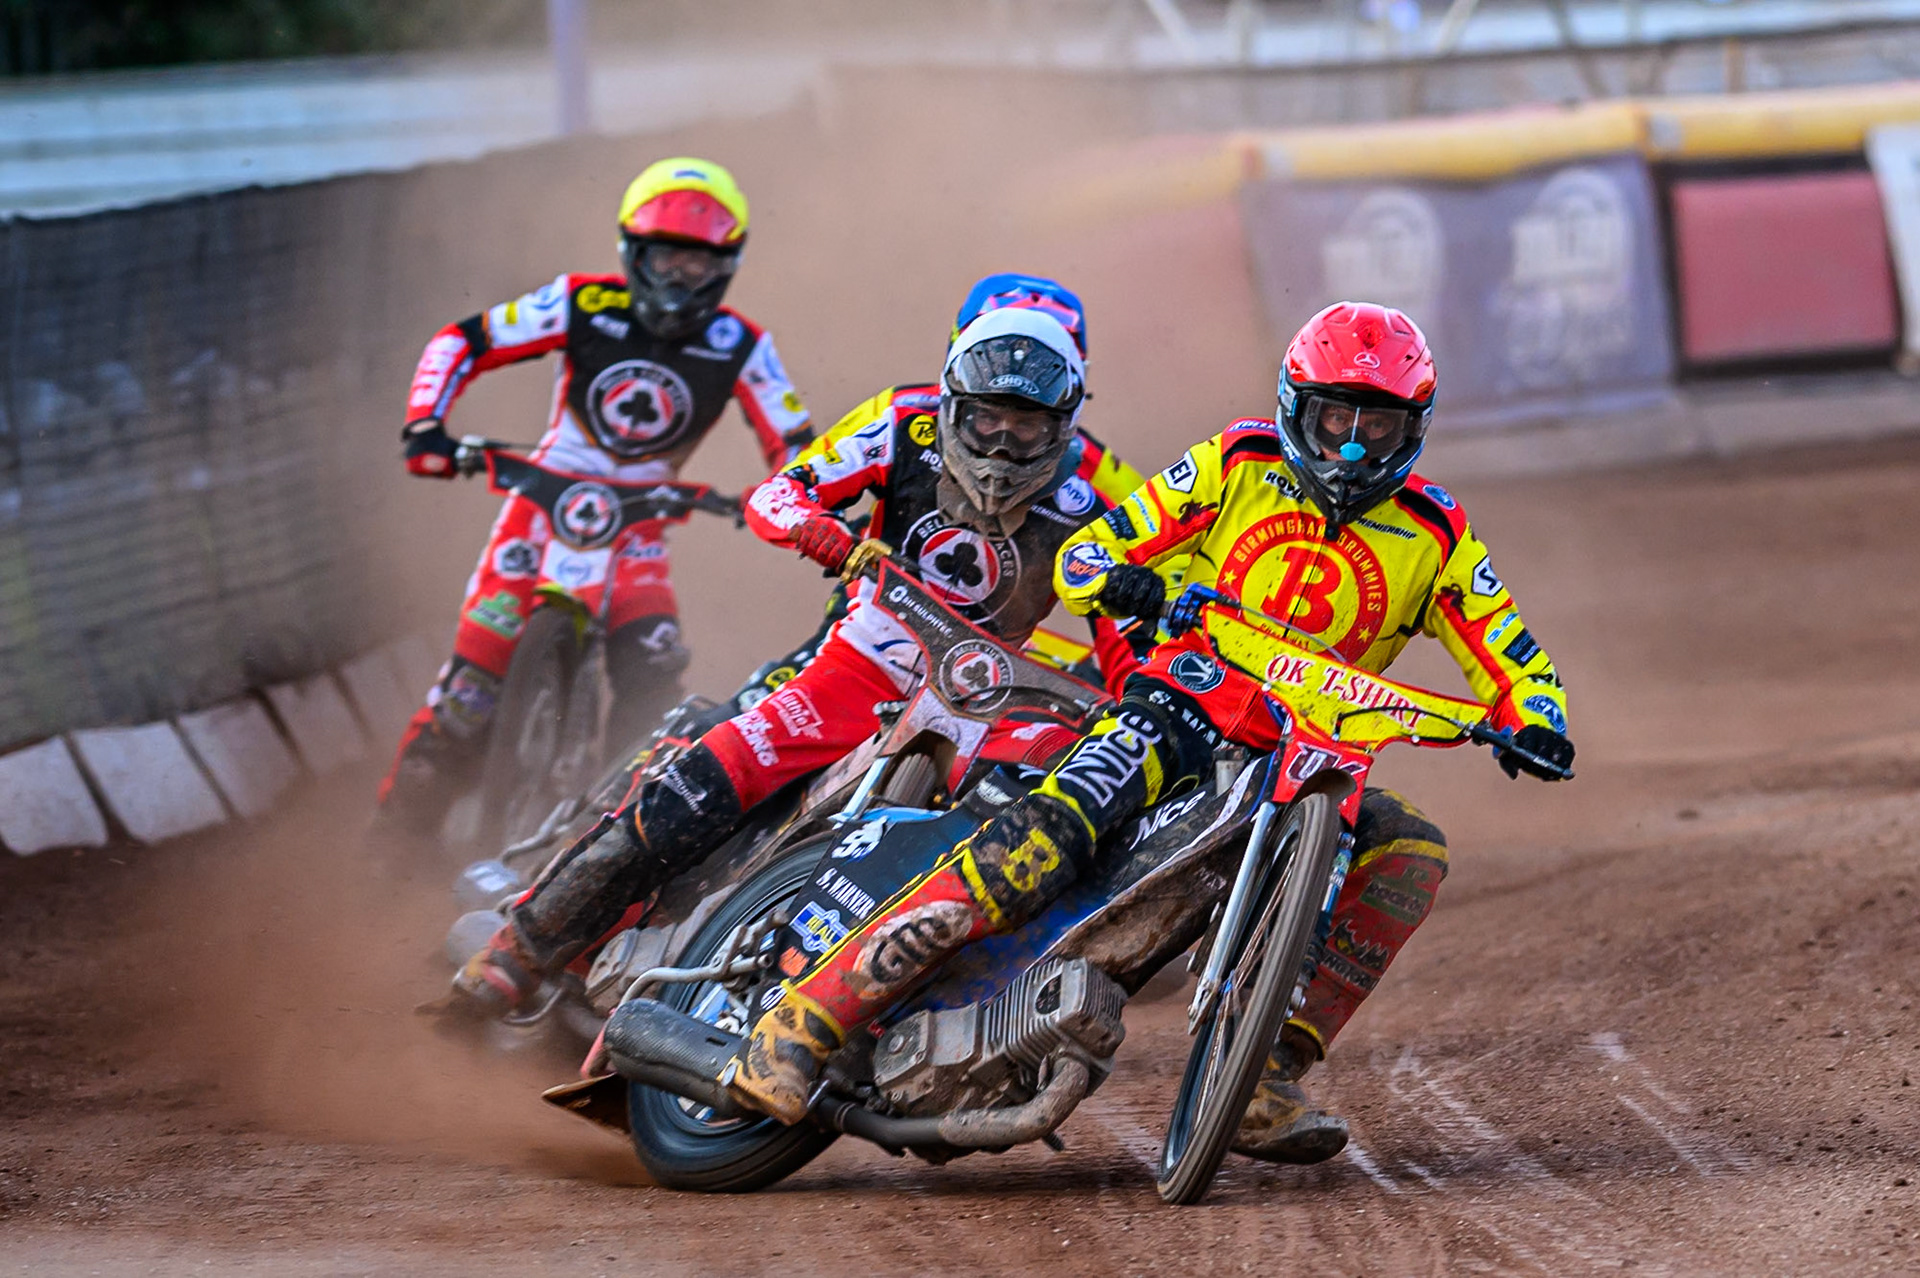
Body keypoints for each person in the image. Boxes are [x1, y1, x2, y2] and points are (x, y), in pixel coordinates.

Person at [725, 302, 1576, 1160]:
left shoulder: (1436, 531)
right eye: (1334, 419)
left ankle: (1265, 1073)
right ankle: (809, 1015)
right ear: (1295, 406)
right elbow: (1091, 551)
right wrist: (1130, 585)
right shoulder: (1235, 461)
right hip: (1184, 702)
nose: (1352, 447)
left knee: (1410, 853)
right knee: (1045, 843)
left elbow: (1509, 647)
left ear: (1413, 428)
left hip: (1312, 750)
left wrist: (1537, 719)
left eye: (1377, 424)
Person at [447, 305, 1154, 1017]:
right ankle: (519, 948)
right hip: (860, 662)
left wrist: (1133, 705)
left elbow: (1123, 641)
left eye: (1025, 426)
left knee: (1010, 837)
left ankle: (899, 1010)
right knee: (703, 779)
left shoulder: (1093, 500)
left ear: (1061, 425)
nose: (1002, 446)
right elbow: (779, 493)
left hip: (983, 701)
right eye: (985, 422)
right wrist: (820, 532)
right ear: (951, 405)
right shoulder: (901, 424)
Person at [375, 157, 812, 837]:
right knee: (464, 698)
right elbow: (462, 340)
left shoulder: (743, 345)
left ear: (726, 265)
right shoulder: (580, 302)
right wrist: (426, 425)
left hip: (638, 532)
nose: (677, 276)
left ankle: (611, 846)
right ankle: (389, 853)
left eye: (696, 263)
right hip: (539, 511)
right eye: (665, 256)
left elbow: (795, 441)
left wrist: (787, 498)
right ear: (632, 252)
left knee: (652, 687)